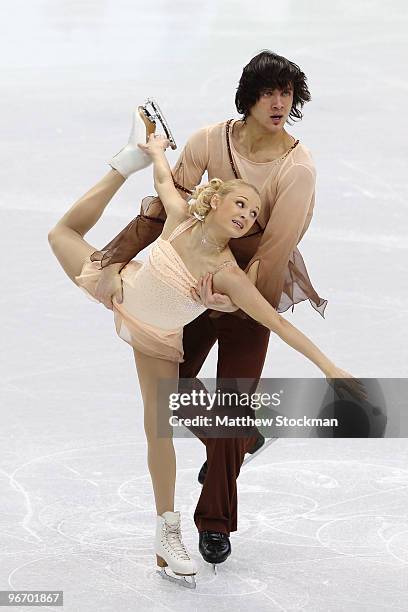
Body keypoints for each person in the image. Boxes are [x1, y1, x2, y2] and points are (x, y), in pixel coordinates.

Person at [48, 112, 364, 587]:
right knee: (60, 234)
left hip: (155, 339)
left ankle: (166, 532)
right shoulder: (178, 216)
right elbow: (163, 179)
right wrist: (151, 153)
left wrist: (329, 366)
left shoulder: (230, 277)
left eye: (252, 214)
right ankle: (120, 162)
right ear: (213, 201)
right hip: (119, 290)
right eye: (239, 203)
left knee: (157, 427)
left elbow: (276, 321)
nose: (246, 215)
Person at [83, 50, 329, 568]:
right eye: (269, 91)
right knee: (171, 388)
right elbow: (164, 208)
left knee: (233, 405)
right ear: (249, 95)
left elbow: (274, 251)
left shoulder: (297, 169)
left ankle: (214, 521)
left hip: (248, 287)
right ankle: (239, 441)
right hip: (190, 281)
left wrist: (230, 301)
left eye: (287, 93)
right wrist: (113, 258)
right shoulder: (208, 142)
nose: (279, 102)